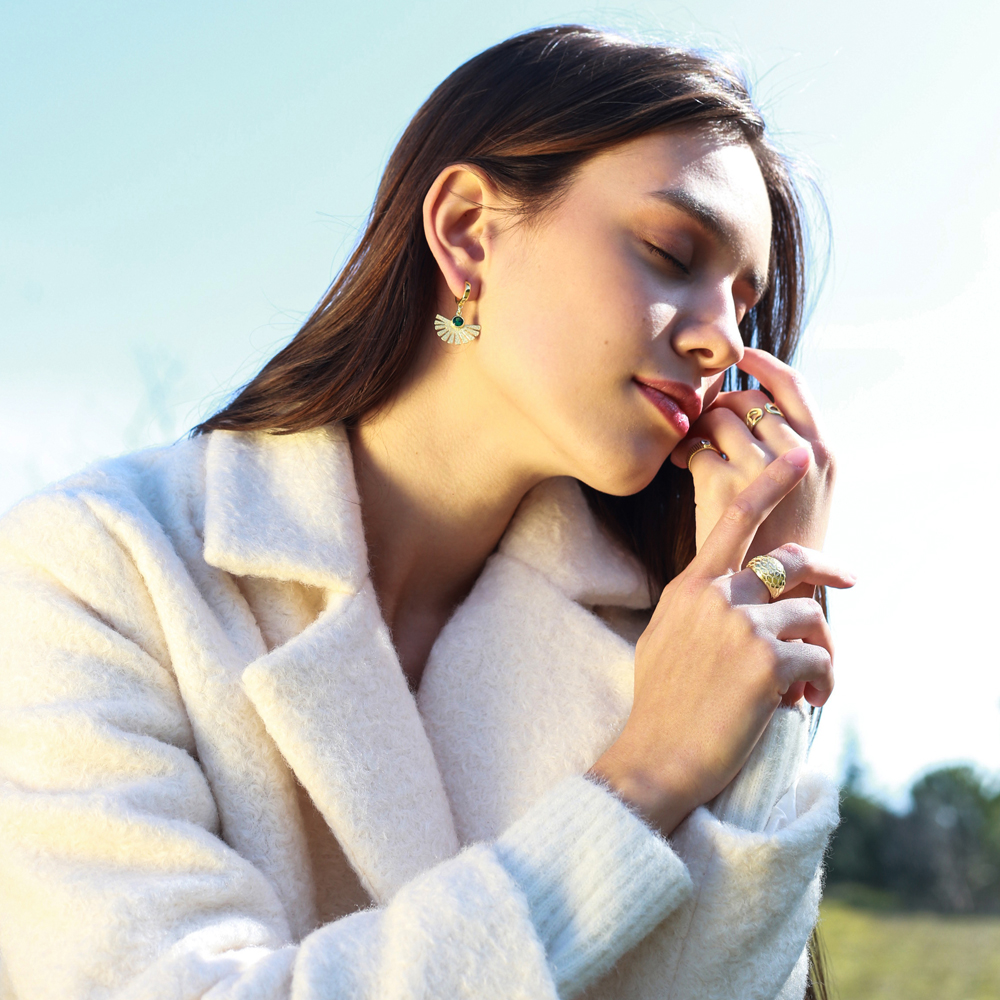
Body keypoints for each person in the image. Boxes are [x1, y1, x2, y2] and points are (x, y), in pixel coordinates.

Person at [0, 24, 854, 1000]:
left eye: (745, 304)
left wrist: (769, 662)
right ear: (465, 232)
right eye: (670, 250)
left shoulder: (651, 642)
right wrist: (644, 772)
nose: (721, 342)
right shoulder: (97, 567)